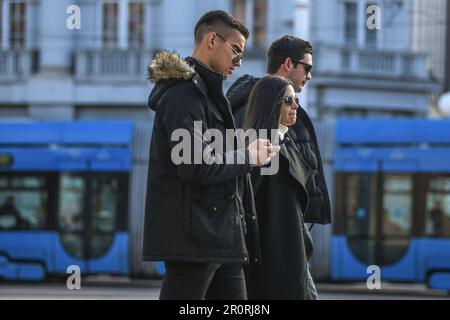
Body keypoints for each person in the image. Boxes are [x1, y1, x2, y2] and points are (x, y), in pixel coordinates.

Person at [142, 10, 280, 300]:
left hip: (220, 237)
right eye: (236, 50)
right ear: (212, 40)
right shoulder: (184, 96)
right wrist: (247, 157)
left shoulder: (210, 96)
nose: (240, 61)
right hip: (194, 241)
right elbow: (194, 165)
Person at [227, 35, 332, 299]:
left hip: (289, 238)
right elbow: (247, 191)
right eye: (306, 68)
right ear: (288, 64)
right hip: (272, 245)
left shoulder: (285, 116)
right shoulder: (249, 116)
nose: (309, 76)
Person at [242, 75, 311, 299]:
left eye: (296, 99)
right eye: (288, 100)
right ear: (271, 104)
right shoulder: (261, 147)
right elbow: (247, 203)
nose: (296, 106)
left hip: (291, 253)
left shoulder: (286, 142)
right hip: (271, 259)